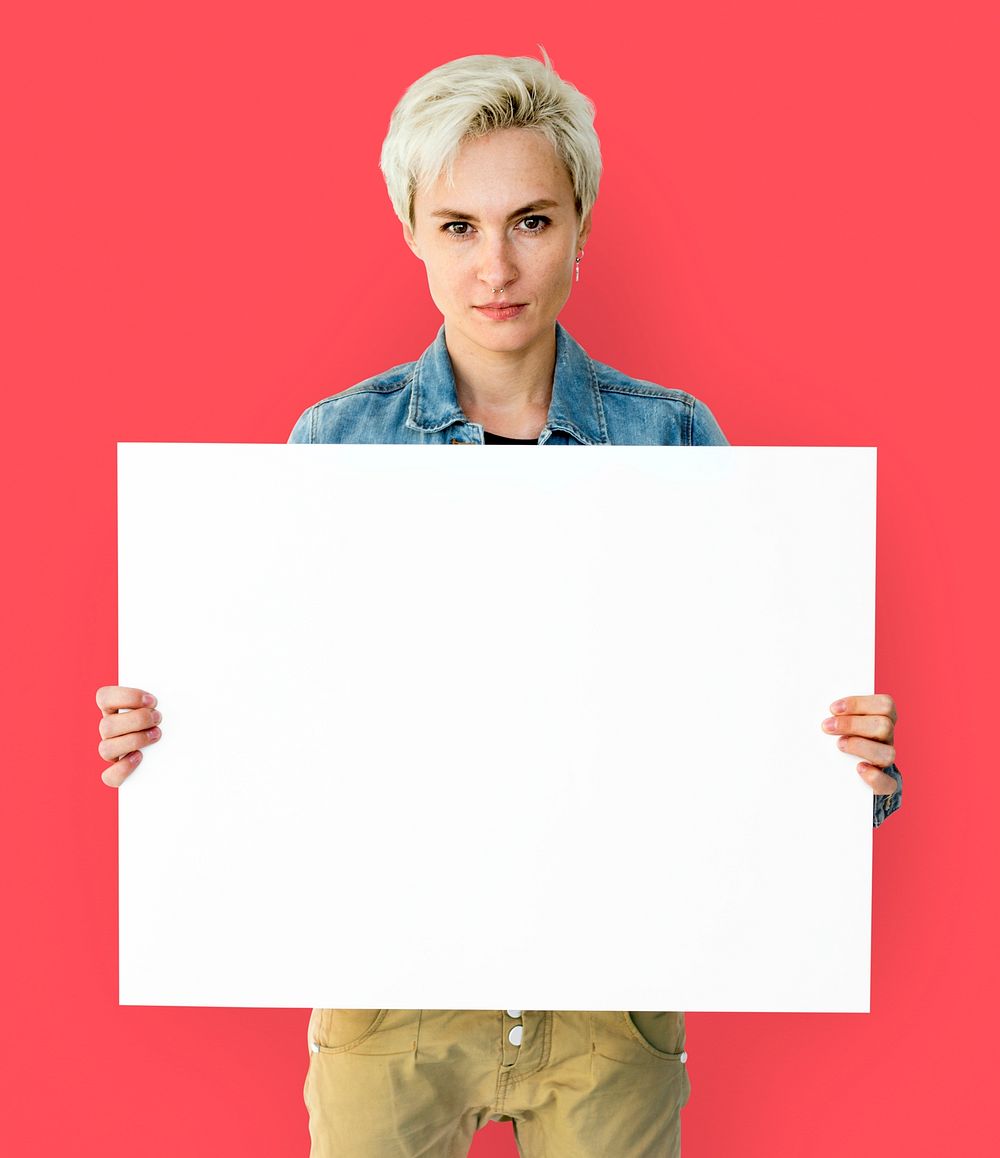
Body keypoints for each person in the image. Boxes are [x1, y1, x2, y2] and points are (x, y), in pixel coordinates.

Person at [95, 52, 903, 1158]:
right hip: (390, 1001)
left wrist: (843, 775)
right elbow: (290, 726)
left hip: (609, 1001)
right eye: (458, 226)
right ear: (412, 232)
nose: (495, 266)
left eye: (530, 221)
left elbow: (735, 739)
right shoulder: (335, 445)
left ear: (580, 225)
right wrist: (175, 736)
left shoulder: (672, 441)